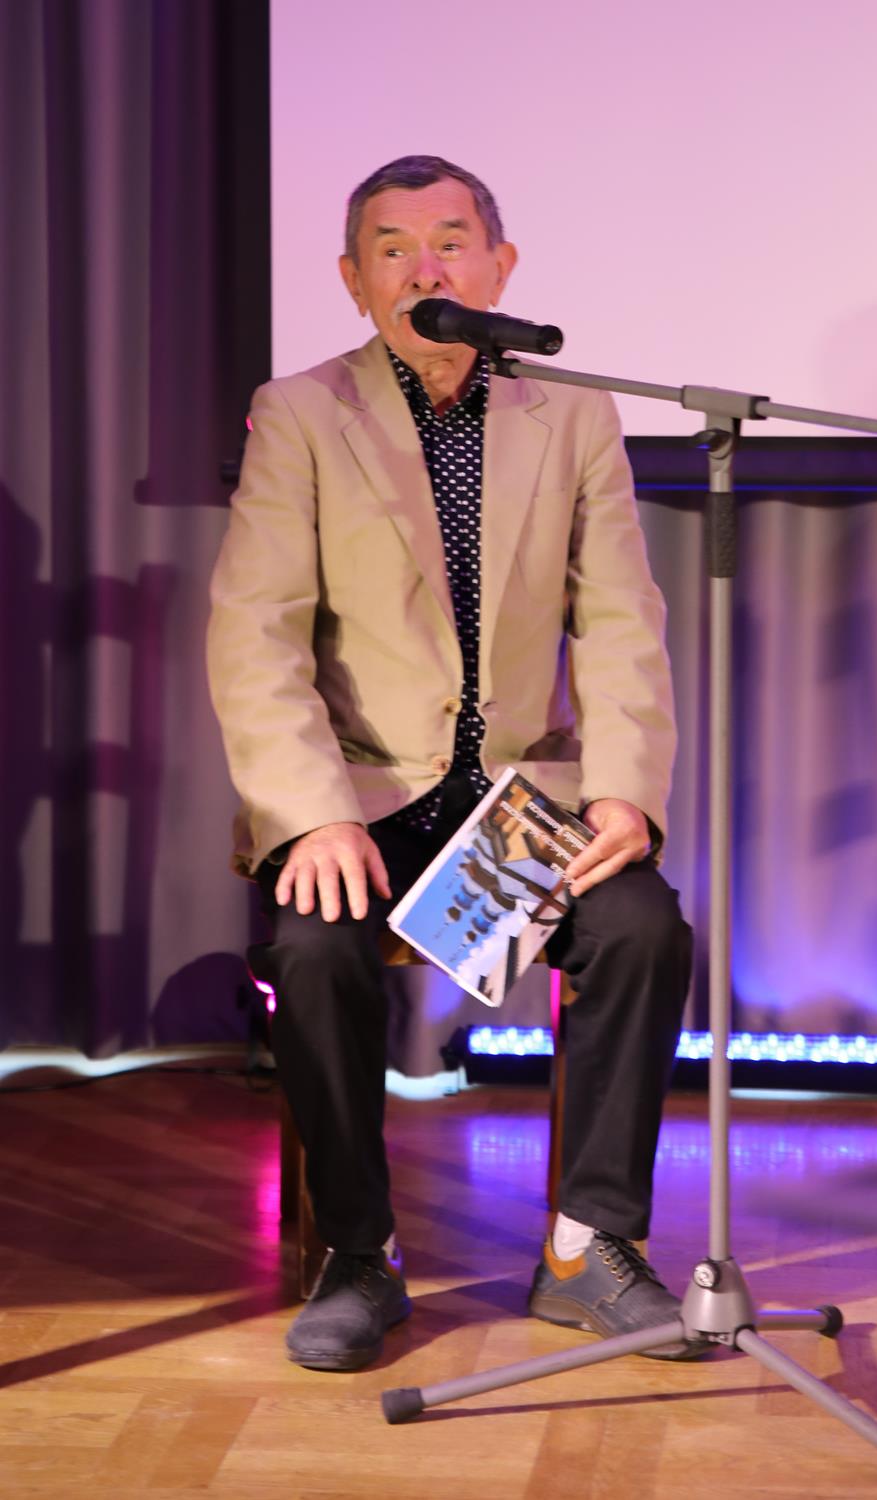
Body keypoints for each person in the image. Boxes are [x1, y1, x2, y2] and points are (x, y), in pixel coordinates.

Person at [207, 155, 695, 1372]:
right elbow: (255, 632)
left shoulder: (570, 414)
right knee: (313, 950)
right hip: (365, 795)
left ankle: (586, 1249)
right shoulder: (301, 411)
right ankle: (357, 1255)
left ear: (499, 266)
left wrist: (625, 790)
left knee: (642, 929)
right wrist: (309, 816)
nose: (423, 268)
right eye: (392, 248)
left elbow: (621, 620)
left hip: (521, 798)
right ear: (353, 278)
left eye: (450, 242)